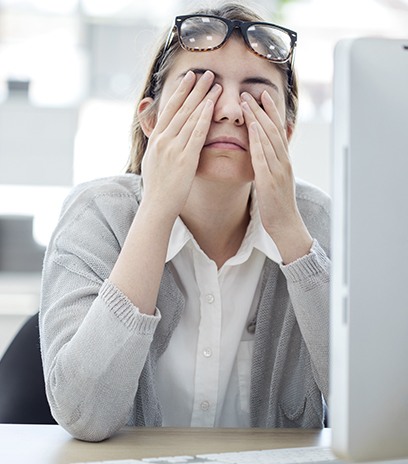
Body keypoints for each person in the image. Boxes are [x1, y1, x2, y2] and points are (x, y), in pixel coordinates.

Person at [39, 2, 330, 442]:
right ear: (152, 119)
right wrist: (156, 209)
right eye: (202, 88)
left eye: (256, 95)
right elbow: (85, 415)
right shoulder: (96, 214)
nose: (231, 110)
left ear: (286, 132)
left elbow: (379, 409)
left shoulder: (319, 222)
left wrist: (289, 232)